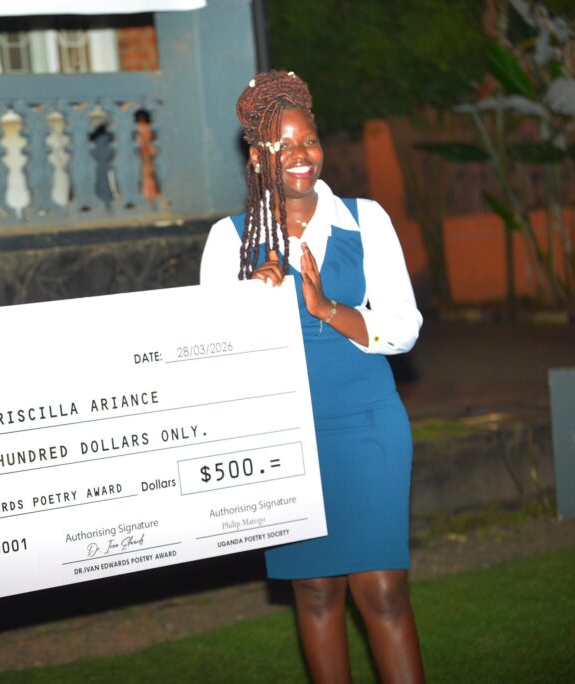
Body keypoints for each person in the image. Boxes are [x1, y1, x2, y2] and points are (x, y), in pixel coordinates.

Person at [200, 70, 425, 683]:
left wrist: (328, 308)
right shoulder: (228, 240)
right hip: (287, 438)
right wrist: (252, 301)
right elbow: (212, 357)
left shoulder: (365, 220)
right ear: (256, 156)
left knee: (383, 590)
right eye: (283, 145)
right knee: (317, 591)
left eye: (310, 140)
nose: (301, 155)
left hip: (369, 425)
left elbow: (404, 328)